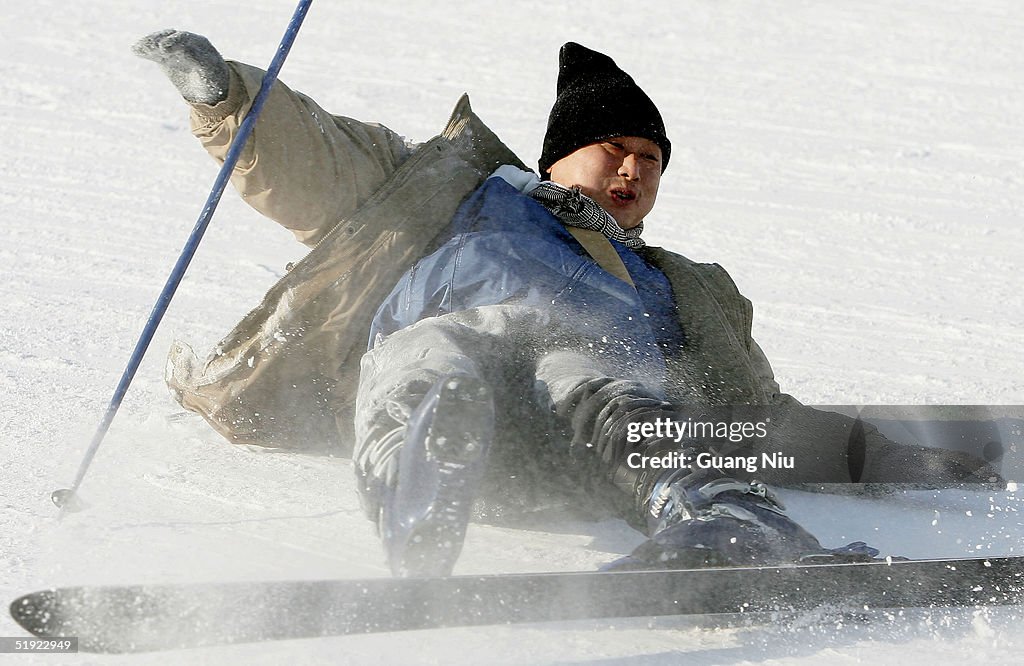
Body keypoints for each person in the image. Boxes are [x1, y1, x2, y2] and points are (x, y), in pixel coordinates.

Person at [134, 30, 999, 577]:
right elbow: (322, 158)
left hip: (577, 439)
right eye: (613, 149)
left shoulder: (676, 281)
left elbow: (746, 411)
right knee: (423, 354)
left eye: (650, 160)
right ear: (558, 157)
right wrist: (228, 99)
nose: (632, 171)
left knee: (581, 355)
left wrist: (875, 453)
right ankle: (416, 488)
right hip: (454, 398)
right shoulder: (455, 191)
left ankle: (723, 515)